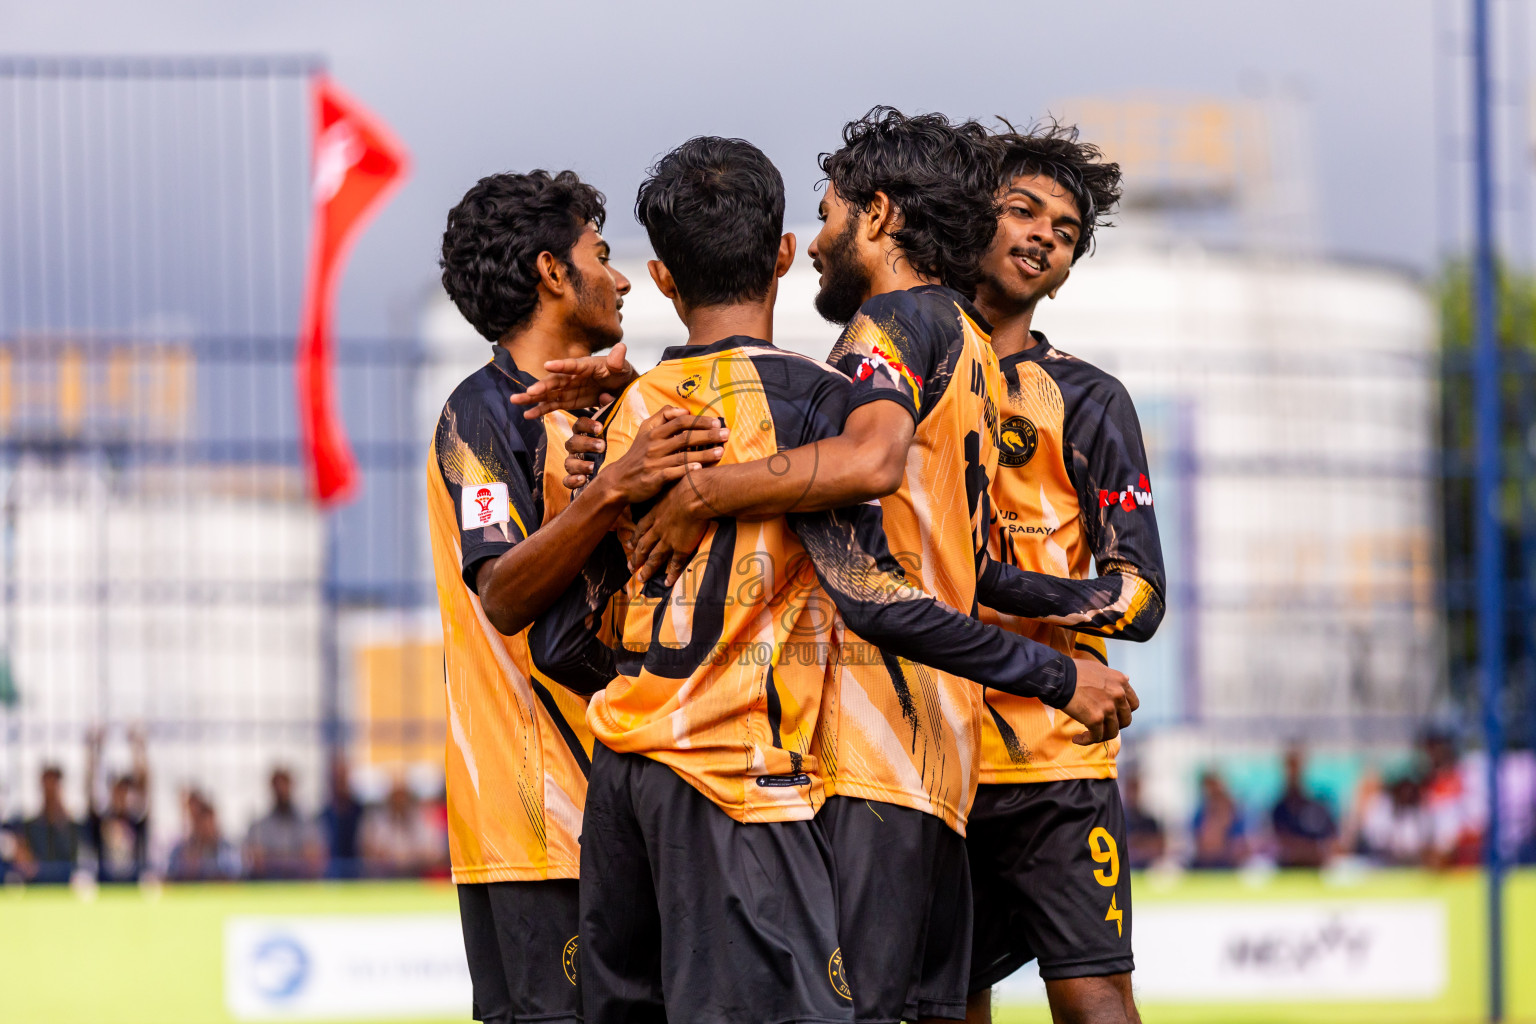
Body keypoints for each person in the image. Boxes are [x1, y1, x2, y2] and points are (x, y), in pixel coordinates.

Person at [541, 112, 1138, 1024]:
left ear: (878, 215)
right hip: (943, 764)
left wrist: (703, 492)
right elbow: (957, 566)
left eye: (829, 216)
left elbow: (867, 520)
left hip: (862, 760)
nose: (818, 245)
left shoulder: (888, 326)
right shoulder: (974, 349)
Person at [432, 169, 729, 1024]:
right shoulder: (479, 417)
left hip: (623, 812)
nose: (625, 275)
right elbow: (502, 593)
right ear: (551, 272)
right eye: (602, 253)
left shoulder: (599, 413)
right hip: (531, 828)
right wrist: (608, 495)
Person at [960, 125, 1164, 1024]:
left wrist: (983, 584)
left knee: (1095, 999)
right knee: (937, 1005)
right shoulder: (891, 376)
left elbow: (1141, 597)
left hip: (1057, 759)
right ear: (974, 220)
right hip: (927, 759)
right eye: (1022, 210)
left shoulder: (1089, 400)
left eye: (1067, 230)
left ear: (1069, 268)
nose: (1044, 234)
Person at [84, 726, 150, 884]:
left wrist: (138, 748)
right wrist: (94, 750)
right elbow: (89, 788)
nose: (120, 796)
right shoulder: (102, 820)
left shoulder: (135, 821)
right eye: (117, 791)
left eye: (124, 792)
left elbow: (145, 785)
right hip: (105, 885)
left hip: (132, 885)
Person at [245, 767, 325, 880]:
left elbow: (313, 859)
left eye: (285, 785)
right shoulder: (259, 827)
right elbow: (256, 862)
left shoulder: (308, 824)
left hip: (301, 889)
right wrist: (296, 856)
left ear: (292, 786)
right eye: (278, 786)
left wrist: (272, 857)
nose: (281, 790)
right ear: (271, 788)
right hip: (268, 889)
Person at [360, 777, 446, 878]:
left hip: (418, 876)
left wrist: (414, 858)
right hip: (385, 878)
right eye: (396, 798)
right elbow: (368, 851)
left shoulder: (423, 821)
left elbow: (436, 853)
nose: (400, 803)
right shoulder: (378, 823)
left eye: (403, 798)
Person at [1270, 745, 1337, 868]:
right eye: (1290, 767)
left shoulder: (1316, 805)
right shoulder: (1278, 808)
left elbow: (1331, 841)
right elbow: (1281, 844)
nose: (1293, 772)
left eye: (1296, 766)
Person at [17, 764, 81, 884]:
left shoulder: (72, 827)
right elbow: (27, 866)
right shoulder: (30, 827)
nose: (50, 791)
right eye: (47, 785)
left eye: (54, 785)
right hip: (38, 888)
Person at [166, 790, 242, 881]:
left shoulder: (226, 848)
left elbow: (235, 874)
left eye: (211, 824)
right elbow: (169, 875)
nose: (208, 829)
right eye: (204, 825)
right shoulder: (182, 849)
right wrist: (187, 869)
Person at [1190, 770, 1248, 869]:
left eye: (1215, 786)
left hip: (1230, 863)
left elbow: (1241, 845)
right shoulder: (1200, 814)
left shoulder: (1235, 812)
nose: (1212, 791)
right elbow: (1204, 846)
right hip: (1206, 864)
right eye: (1209, 787)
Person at [318, 754, 363, 878]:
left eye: (342, 778)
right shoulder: (324, 815)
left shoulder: (361, 813)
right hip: (329, 875)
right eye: (336, 779)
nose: (340, 784)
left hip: (359, 875)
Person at [1123, 773, 1166, 871]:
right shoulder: (1118, 822)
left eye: (1134, 789)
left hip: (1149, 870)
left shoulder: (1149, 821)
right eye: (1129, 789)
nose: (1132, 794)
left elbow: (1160, 847)